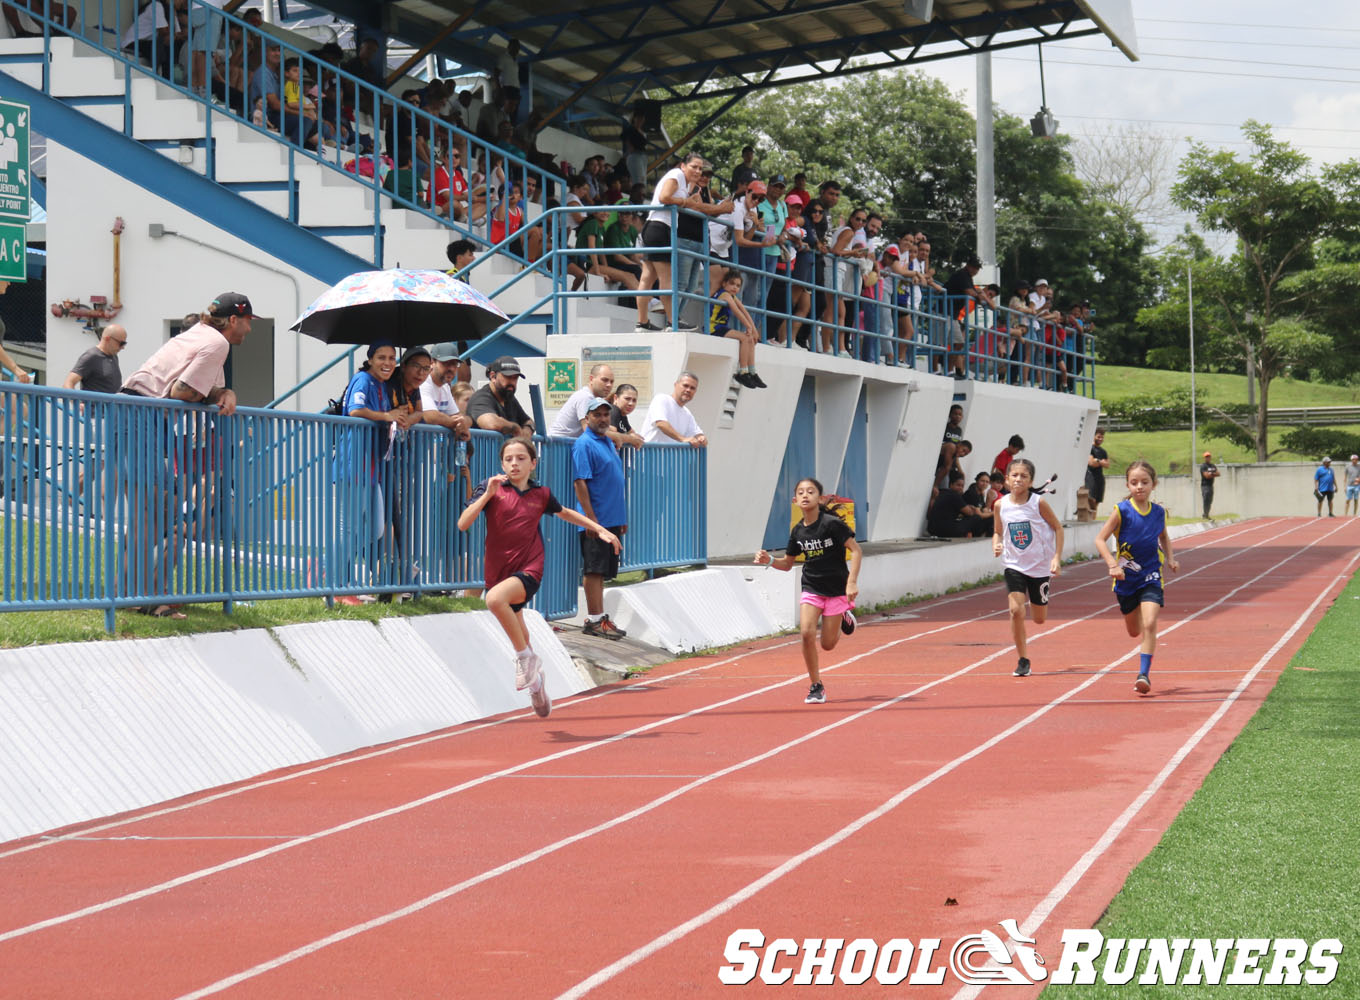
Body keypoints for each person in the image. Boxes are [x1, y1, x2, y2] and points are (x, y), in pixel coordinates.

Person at [457, 436, 621, 718]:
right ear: (501, 463)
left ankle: (523, 659)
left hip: (529, 567)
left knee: (495, 600)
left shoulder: (541, 494)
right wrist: (486, 495)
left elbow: (566, 513)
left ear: (533, 463)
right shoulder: (491, 488)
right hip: (498, 570)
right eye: (508, 459)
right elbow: (463, 524)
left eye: (521, 458)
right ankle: (537, 686)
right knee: (519, 626)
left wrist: (601, 529)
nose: (514, 464)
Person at [119, 292, 256, 619]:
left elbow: (200, 390)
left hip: (136, 414)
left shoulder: (198, 335)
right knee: (158, 514)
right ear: (234, 320)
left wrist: (225, 392)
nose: (250, 329)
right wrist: (220, 394)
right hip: (141, 417)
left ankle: (132, 594)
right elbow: (182, 391)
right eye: (249, 321)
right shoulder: (217, 343)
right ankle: (142, 597)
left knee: (154, 515)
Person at [754, 477, 862, 705]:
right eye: (801, 492)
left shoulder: (832, 524)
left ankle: (843, 614)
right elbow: (787, 564)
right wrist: (770, 559)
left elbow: (856, 550)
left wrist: (851, 582)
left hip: (836, 589)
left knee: (827, 644)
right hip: (811, 587)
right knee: (805, 633)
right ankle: (816, 686)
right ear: (795, 500)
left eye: (810, 491)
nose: (805, 495)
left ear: (820, 498)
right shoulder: (797, 532)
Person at [1094, 460, 1178, 695]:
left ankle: (1143, 675)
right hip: (1125, 580)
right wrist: (1112, 565)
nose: (1139, 486)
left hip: (1151, 575)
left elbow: (1164, 537)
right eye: (1134, 482)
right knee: (1134, 631)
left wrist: (1170, 558)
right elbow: (1100, 539)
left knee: (1150, 624)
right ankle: (1137, 615)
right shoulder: (1121, 510)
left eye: (1144, 482)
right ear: (1127, 485)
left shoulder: (1159, 512)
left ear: (1154, 484)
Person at [992, 458, 1064, 678]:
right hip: (1013, 565)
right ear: (1006, 479)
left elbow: (1058, 529)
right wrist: (996, 543)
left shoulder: (1038, 503)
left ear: (1031, 480)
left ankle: (1037, 604)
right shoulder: (1000, 505)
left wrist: (1056, 558)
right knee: (1016, 611)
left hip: (1040, 567)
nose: (1018, 479)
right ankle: (1023, 660)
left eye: (1023, 476)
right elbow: (997, 530)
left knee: (1039, 618)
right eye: (1014, 475)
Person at [573, 397, 629, 641]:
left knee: (603, 570)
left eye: (606, 414)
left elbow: (615, 480)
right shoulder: (584, 444)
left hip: (612, 518)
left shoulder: (607, 441)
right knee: (593, 570)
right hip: (597, 520)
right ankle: (594, 620)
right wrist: (591, 519)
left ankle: (601, 617)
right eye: (597, 415)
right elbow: (580, 482)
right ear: (587, 418)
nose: (603, 419)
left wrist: (622, 516)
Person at [707, 272, 766, 388]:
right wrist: (748, 327)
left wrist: (754, 330)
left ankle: (752, 372)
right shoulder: (724, 295)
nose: (735, 287)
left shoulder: (732, 296)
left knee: (750, 338)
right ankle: (742, 372)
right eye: (732, 284)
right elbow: (737, 312)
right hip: (713, 328)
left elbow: (744, 311)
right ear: (724, 284)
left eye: (738, 285)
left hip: (721, 327)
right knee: (745, 337)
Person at [466, 356, 534, 438]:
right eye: (508, 377)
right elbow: (490, 423)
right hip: (482, 451)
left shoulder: (509, 398)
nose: (512, 382)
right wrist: (516, 428)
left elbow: (528, 421)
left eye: (515, 378)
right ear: (493, 377)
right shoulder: (481, 398)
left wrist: (527, 430)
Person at [547, 363, 615, 439]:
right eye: (604, 380)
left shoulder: (590, 398)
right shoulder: (586, 397)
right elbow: (590, 431)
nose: (609, 385)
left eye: (611, 382)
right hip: (557, 447)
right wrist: (623, 438)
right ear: (591, 379)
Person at [640, 371, 706, 447]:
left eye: (692, 388)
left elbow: (697, 433)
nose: (688, 390)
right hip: (648, 456)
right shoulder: (661, 399)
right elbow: (661, 423)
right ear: (675, 385)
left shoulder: (687, 413)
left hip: (669, 458)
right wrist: (682, 439)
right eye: (685, 385)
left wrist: (701, 438)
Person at [63, 325, 127, 393]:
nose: (123, 347)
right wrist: (77, 403)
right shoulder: (91, 356)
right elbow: (68, 383)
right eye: (121, 343)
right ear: (107, 339)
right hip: (94, 403)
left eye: (124, 344)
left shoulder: (114, 357)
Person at [927, 470, 990, 539]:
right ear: (951, 485)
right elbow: (970, 513)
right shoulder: (955, 495)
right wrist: (972, 508)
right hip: (945, 531)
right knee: (976, 518)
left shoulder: (942, 492)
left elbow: (928, 515)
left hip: (932, 529)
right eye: (958, 485)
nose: (961, 488)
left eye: (962, 486)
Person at [608, 383, 644, 450]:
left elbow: (633, 434)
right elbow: (613, 435)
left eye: (634, 400)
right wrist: (630, 438)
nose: (631, 403)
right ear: (616, 398)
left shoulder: (623, 416)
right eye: (627, 399)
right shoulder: (614, 410)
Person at [1085, 427, 1109, 516]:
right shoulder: (1090, 448)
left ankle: (1093, 521)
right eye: (1098, 437)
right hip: (1090, 477)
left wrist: (1097, 461)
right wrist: (1101, 462)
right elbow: (1091, 463)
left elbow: (1107, 465)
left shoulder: (1103, 451)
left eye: (1102, 437)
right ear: (1094, 436)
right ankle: (1089, 519)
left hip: (1100, 478)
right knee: (1091, 500)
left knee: (1097, 503)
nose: (1100, 439)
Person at [1199, 451, 1220, 519]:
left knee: (1210, 501)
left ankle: (1207, 514)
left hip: (1211, 486)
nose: (1208, 458)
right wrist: (1213, 474)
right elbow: (1206, 476)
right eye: (1206, 457)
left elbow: (1218, 473)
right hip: (1205, 486)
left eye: (1208, 456)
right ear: (1204, 458)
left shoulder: (1212, 465)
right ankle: (1205, 514)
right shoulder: (1203, 466)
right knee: (1206, 500)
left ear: (1210, 457)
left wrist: (1211, 474)